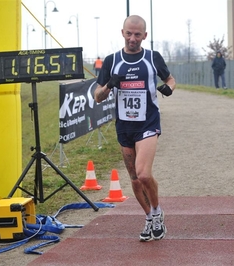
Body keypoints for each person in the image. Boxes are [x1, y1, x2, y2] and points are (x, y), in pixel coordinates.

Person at [94, 15, 176, 242]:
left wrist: (169, 88)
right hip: (124, 126)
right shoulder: (112, 61)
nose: (132, 38)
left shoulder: (152, 58)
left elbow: (170, 79)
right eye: (128, 33)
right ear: (122, 33)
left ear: (144, 36)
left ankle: (158, 212)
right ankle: (149, 216)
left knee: (143, 173)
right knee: (134, 178)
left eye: (137, 34)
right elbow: (97, 97)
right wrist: (110, 84)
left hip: (148, 123)